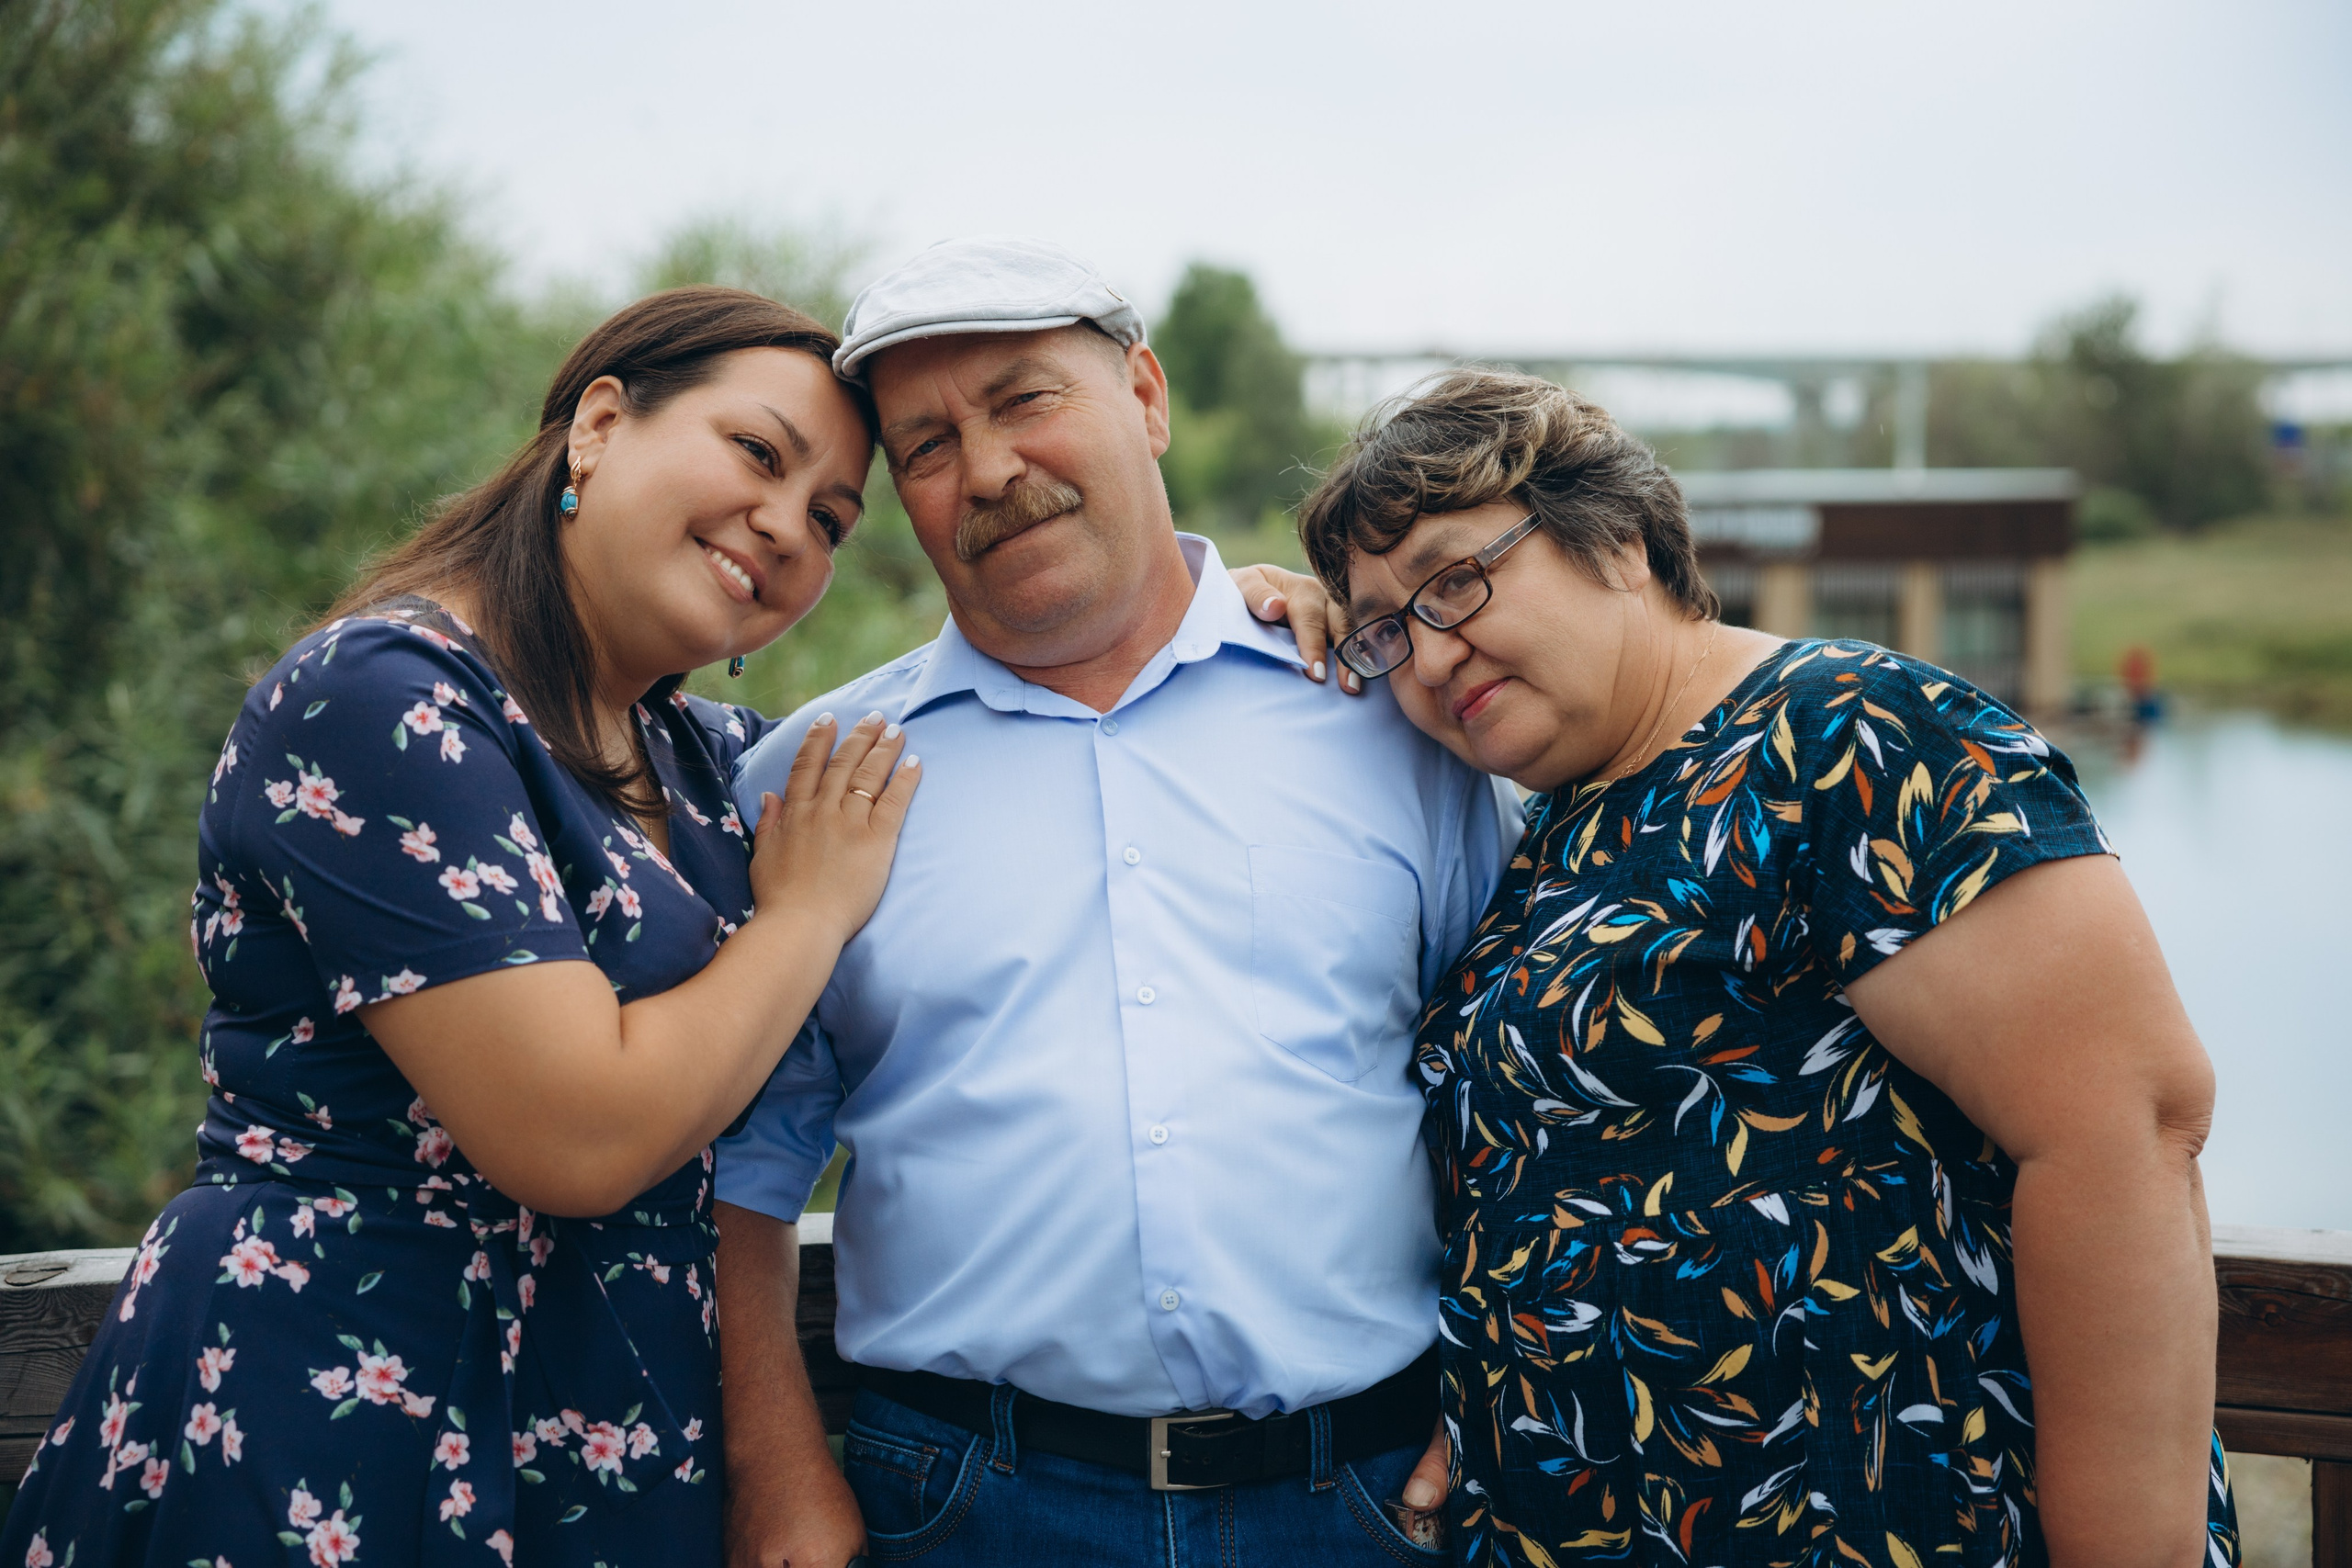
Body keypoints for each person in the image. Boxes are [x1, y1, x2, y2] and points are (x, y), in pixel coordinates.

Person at [1, 288, 923, 1568]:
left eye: (831, 519)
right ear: (599, 424)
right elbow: (576, 1134)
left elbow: (976, 778)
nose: (787, 526)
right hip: (339, 1407)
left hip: (604, 1424)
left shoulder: (710, 764)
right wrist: (807, 917)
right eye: (759, 454)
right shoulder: (383, 699)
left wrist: (1258, 619)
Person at [1293, 367, 2241, 1567]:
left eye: (1456, 581)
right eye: (1388, 627)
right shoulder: (1567, 828)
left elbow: (2125, 1134)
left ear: (1621, 541)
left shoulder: (1853, 737)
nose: (1426, 658)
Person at [715, 238, 1522, 1568]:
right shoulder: (809, 784)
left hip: (1372, 1496)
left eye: (1029, 399)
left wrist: (1503, 1394)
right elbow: (748, 1171)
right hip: (969, 1503)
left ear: (1145, 397)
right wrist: (779, 1464)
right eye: (923, 447)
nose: (985, 470)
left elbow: (1516, 1092)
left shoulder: (1396, 715)